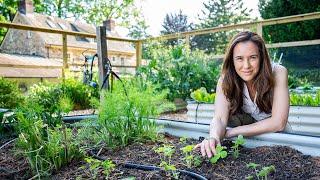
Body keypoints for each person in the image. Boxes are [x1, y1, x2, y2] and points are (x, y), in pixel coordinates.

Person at [194, 31, 289, 158]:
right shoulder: (225, 80)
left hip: (278, 138)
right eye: (239, 58)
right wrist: (214, 137)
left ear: (261, 58)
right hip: (249, 141)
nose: (246, 66)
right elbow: (220, 119)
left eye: (253, 57)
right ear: (232, 60)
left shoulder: (278, 72)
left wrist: (230, 133)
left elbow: (278, 123)